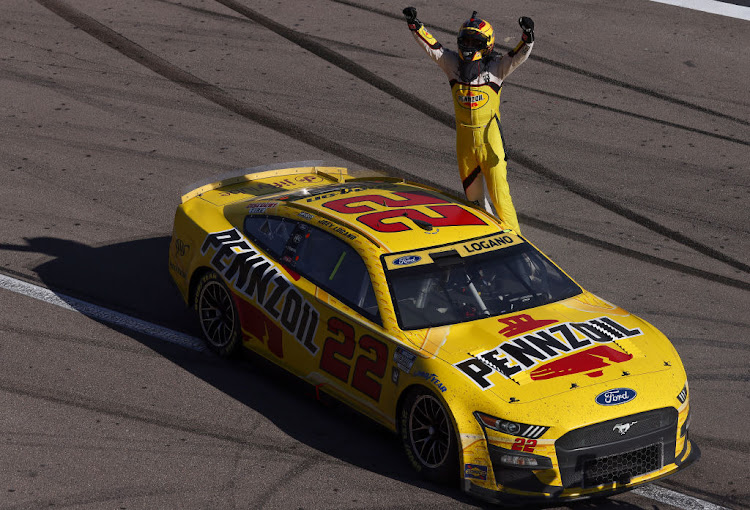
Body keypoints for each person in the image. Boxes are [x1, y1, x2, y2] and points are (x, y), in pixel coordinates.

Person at [402, 7, 534, 234]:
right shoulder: (452, 64)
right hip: (464, 142)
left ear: (488, 45)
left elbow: (518, 55)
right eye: (466, 40)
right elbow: (432, 47)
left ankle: (517, 241)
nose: (469, 46)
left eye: (475, 42)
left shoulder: (496, 68)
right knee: (474, 202)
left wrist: (528, 37)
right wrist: (415, 25)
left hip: (490, 140)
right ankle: (486, 240)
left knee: (501, 197)